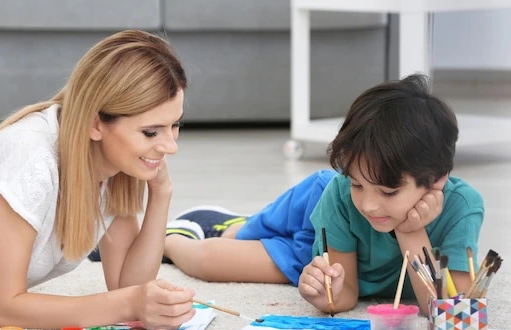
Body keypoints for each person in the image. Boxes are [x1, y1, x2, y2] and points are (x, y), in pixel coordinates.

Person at [0, 30, 197, 330]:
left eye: (175, 125)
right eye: (151, 132)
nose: (171, 146)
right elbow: (3, 308)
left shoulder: (115, 166)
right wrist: (127, 304)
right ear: (96, 124)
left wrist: (161, 194)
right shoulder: (29, 157)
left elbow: (129, 286)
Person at [163, 74, 484, 314]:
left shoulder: (461, 209)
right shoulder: (343, 195)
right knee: (215, 255)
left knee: (215, 258)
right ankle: (176, 237)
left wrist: (411, 232)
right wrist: (332, 294)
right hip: (320, 211)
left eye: (388, 191)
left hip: (322, 246)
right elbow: (347, 292)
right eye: (358, 183)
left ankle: (227, 226)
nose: (369, 203)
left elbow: (448, 310)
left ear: (437, 180)